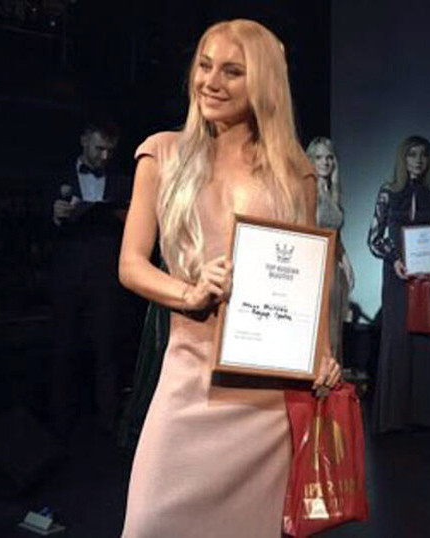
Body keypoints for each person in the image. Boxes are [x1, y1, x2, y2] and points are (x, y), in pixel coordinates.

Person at [117, 20, 340, 537]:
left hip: (265, 398)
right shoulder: (161, 153)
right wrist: (189, 292)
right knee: (149, 524)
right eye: (204, 66)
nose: (211, 82)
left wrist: (323, 354)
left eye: (232, 71)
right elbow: (130, 265)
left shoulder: (296, 172)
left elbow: (311, 277)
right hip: (187, 380)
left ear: (264, 82)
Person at [367, 135, 430, 433]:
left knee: (427, 341)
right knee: (398, 340)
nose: (418, 160)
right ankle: (395, 417)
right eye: (412, 154)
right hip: (397, 277)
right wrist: (395, 259)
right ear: (402, 159)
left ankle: (427, 416)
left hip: (427, 279)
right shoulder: (388, 192)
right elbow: (374, 238)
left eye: (424, 155)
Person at [49, 119, 128, 437]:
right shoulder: (57, 175)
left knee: (107, 350)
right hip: (67, 278)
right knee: (63, 349)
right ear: (84, 140)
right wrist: (55, 215)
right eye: (99, 149)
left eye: (110, 151)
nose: (104, 157)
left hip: (106, 278)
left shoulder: (122, 182)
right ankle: (60, 425)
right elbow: (38, 225)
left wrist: (125, 218)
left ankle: (108, 425)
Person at [306, 137, 354, 363]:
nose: (325, 162)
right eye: (319, 157)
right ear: (311, 160)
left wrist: (346, 262)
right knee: (318, 324)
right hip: (314, 264)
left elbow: (337, 235)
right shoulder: (307, 190)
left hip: (333, 266)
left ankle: (331, 370)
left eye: (329, 157)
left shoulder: (333, 192)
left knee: (333, 326)